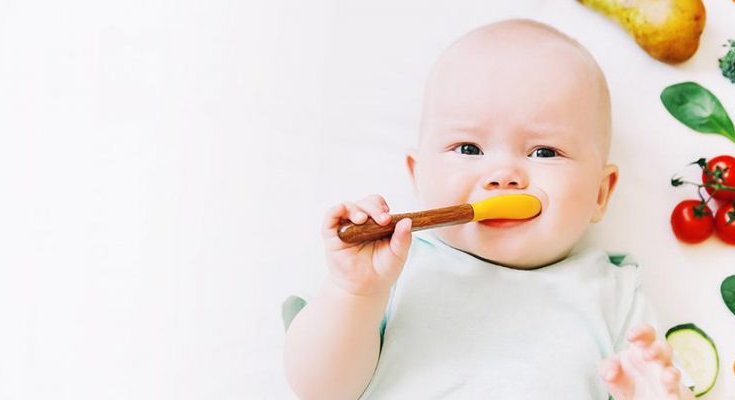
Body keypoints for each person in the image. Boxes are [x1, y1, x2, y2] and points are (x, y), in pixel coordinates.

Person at [284, 19, 695, 400]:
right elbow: (320, 391)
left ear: (600, 194)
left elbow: (650, 379)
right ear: (418, 175)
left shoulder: (615, 295)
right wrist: (354, 292)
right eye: (469, 149)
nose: (504, 175)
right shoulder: (392, 268)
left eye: (545, 151)